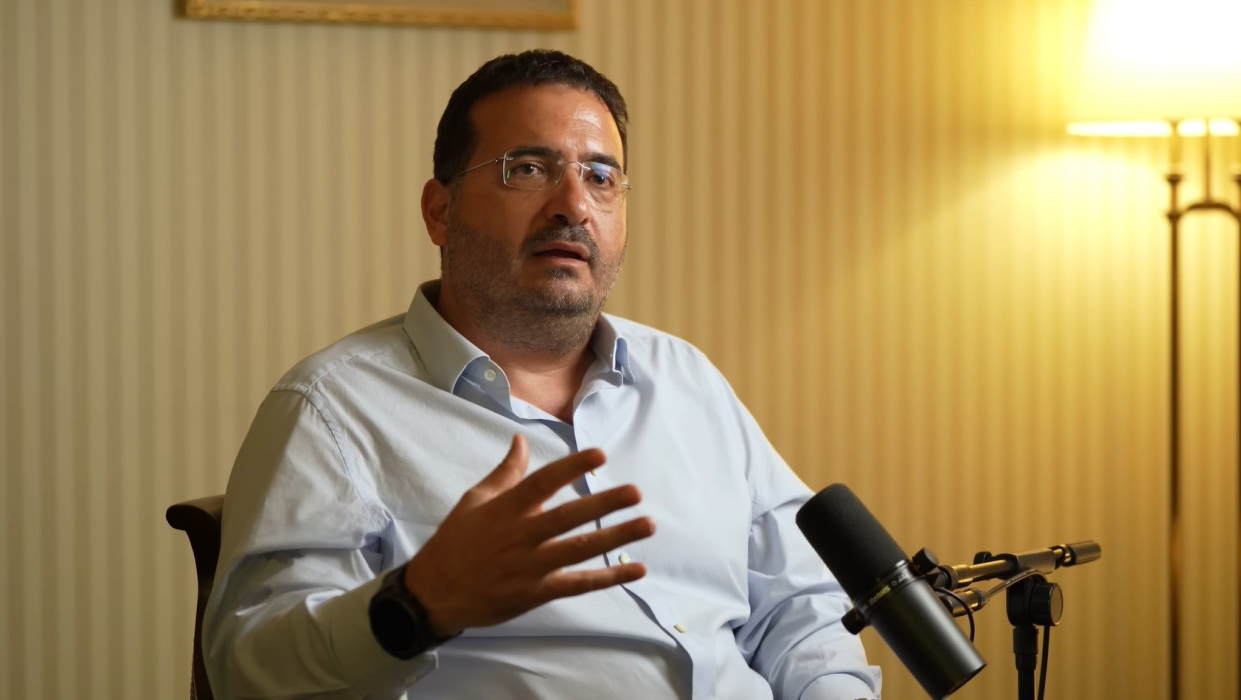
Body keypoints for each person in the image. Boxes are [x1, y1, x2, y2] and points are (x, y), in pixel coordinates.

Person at [203, 49, 882, 700]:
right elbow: (250, 674)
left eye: (600, 176)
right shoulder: (333, 409)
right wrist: (418, 604)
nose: (573, 205)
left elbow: (802, 604)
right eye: (528, 169)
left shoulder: (687, 380)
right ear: (440, 211)